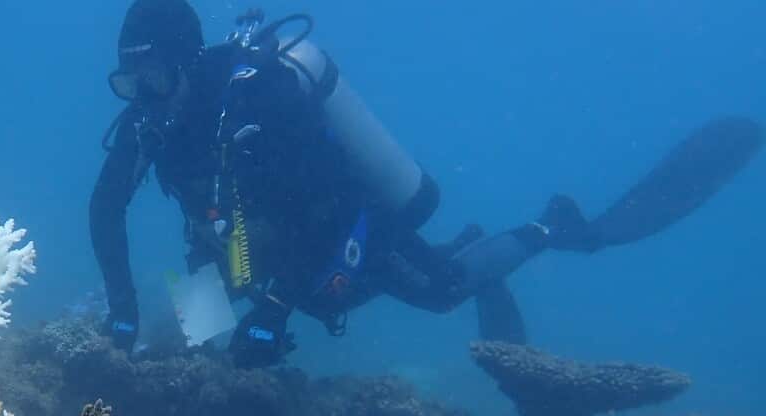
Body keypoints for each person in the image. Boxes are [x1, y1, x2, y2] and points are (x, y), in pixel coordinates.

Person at [90, 0, 762, 368]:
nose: (141, 96)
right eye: (127, 82)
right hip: (252, 242)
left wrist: (271, 313)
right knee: (212, 330)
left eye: (152, 78)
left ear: (184, 62)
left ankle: (551, 227)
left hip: (350, 224)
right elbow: (105, 209)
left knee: (439, 290)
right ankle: (246, 330)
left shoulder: (262, 98)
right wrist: (123, 313)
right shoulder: (148, 124)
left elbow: (340, 201)